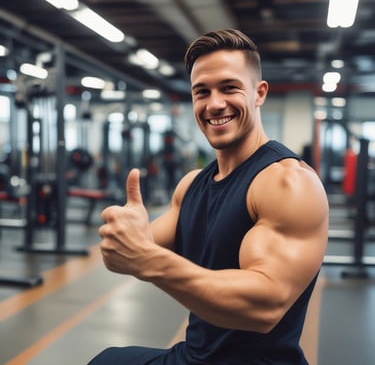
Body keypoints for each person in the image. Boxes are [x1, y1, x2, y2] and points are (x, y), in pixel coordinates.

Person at [88, 29, 329, 365]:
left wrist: (149, 261)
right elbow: (129, 251)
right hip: (195, 356)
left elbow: (266, 305)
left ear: (259, 93)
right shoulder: (190, 186)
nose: (214, 104)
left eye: (229, 88)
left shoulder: (287, 182)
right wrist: (121, 235)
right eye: (202, 92)